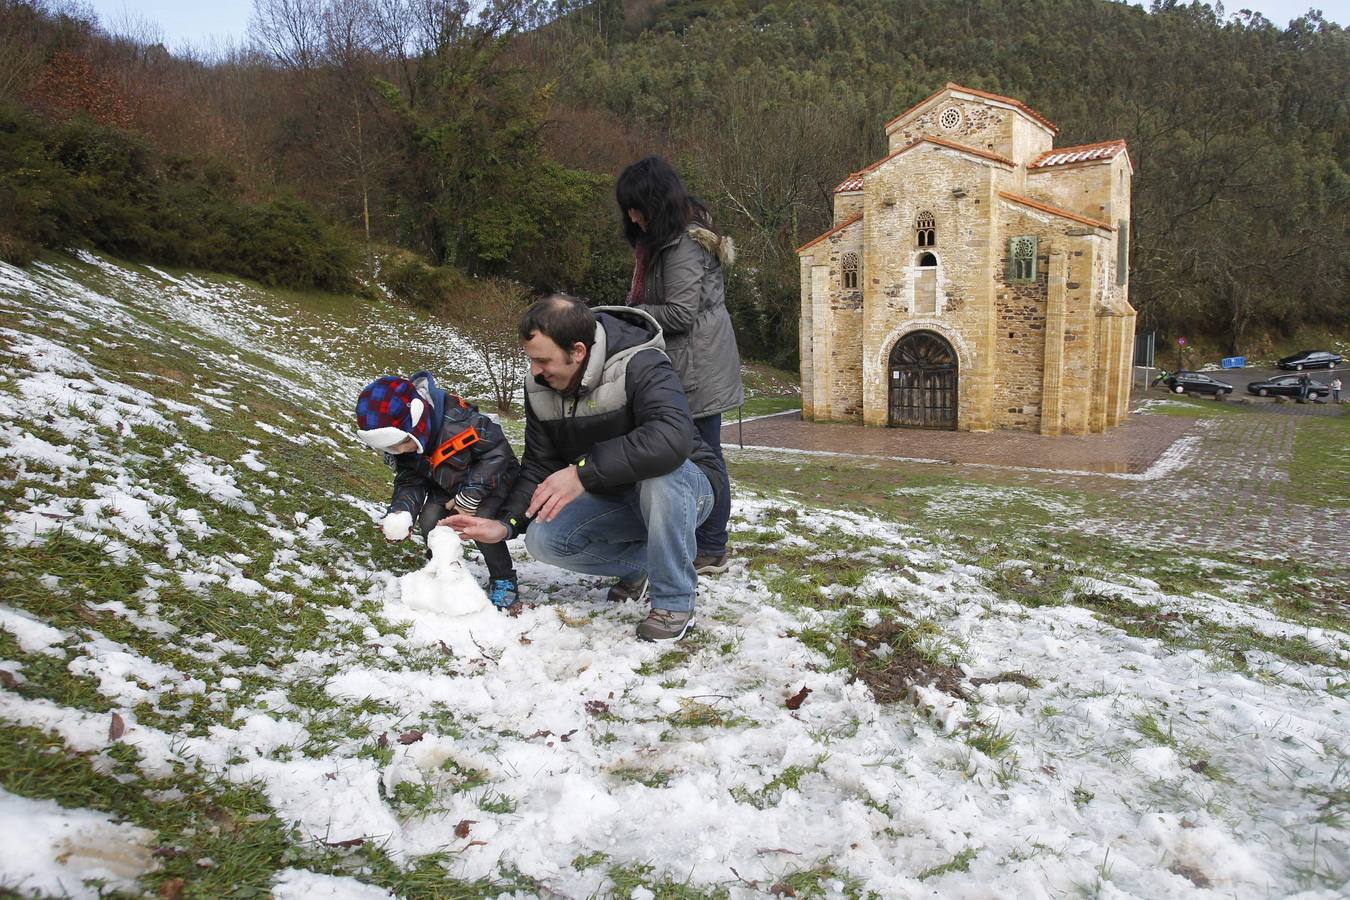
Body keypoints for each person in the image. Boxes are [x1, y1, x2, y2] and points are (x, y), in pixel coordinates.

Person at [447, 295, 721, 642]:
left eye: (542, 360)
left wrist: (581, 473)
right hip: (615, 494)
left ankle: (675, 602)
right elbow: (540, 466)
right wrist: (505, 524)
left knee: (659, 476)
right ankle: (644, 566)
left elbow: (670, 438)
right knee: (544, 539)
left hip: (685, 488)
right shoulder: (540, 387)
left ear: (577, 351)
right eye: (531, 360)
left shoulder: (641, 362)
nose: (535, 371)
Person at [616, 156, 743, 576]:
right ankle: (690, 537)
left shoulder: (684, 245)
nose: (632, 217)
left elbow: (680, 313)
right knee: (678, 452)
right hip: (683, 361)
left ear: (656, 202)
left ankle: (712, 547)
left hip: (698, 367)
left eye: (637, 208)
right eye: (628, 209)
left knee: (704, 454)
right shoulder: (660, 242)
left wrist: (628, 315)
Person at [355, 373, 521, 608]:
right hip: (447, 484)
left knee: (480, 524)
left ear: (418, 420)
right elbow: (410, 480)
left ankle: (503, 578)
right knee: (430, 519)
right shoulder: (405, 448)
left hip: (490, 482)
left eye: (403, 443)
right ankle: (442, 565)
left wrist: (470, 496)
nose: (400, 451)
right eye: (391, 448)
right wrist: (402, 512)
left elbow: (496, 454)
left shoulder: (462, 423)